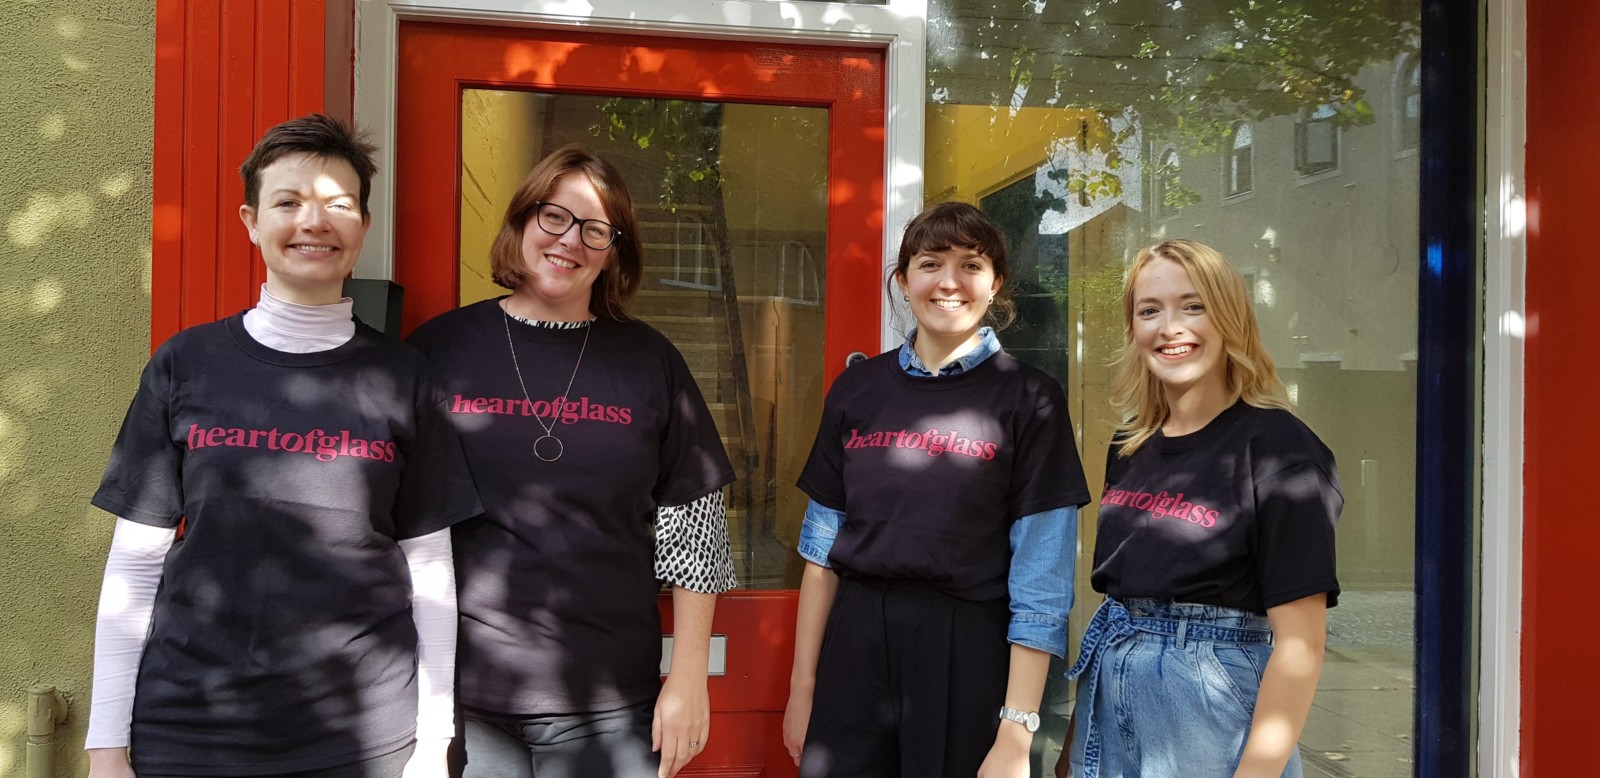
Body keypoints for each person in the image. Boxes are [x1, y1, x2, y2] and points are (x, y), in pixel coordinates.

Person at [85, 114, 483, 778]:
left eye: (338, 204)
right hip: (190, 729)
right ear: (250, 221)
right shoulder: (186, 365)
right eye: (289, 202)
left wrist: (435, 743)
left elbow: (431, 575)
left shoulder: (405, 379)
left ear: (362, 226)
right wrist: (106, 748)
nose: (314, 221)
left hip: (364, 737)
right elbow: (134, 565)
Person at [405, 145, 736, 778]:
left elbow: (697, 524)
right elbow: (403, 520)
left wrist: (689, 675)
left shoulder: (649, 360)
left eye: (595, 230)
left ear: (614, 252)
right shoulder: (440, 349)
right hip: (465, 698)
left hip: (609, 702)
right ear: (523, 221)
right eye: (554, 217)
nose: (569, 241)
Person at [781, 201, 1092, 778]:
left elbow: (1042, 584)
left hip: (968, 649)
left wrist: (1017, 730)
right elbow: (820, 553)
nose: (949, 282)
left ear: (995, 283)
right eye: (930, 263)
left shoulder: (1031, 399)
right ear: (903, 281)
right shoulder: (857, 389)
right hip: (855, 647)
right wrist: (804, 689)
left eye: (971, 265)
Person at [1060, 239, 1341, 778]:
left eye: (1194, 305)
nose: (1170, 327)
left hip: (1207, 701)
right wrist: (1077, 748)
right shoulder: (1130, 445)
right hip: (1112, 689)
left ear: (1230, 317)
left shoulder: (1281, 448)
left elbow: (1301, 644)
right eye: (1149, 310)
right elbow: (1120, 606)